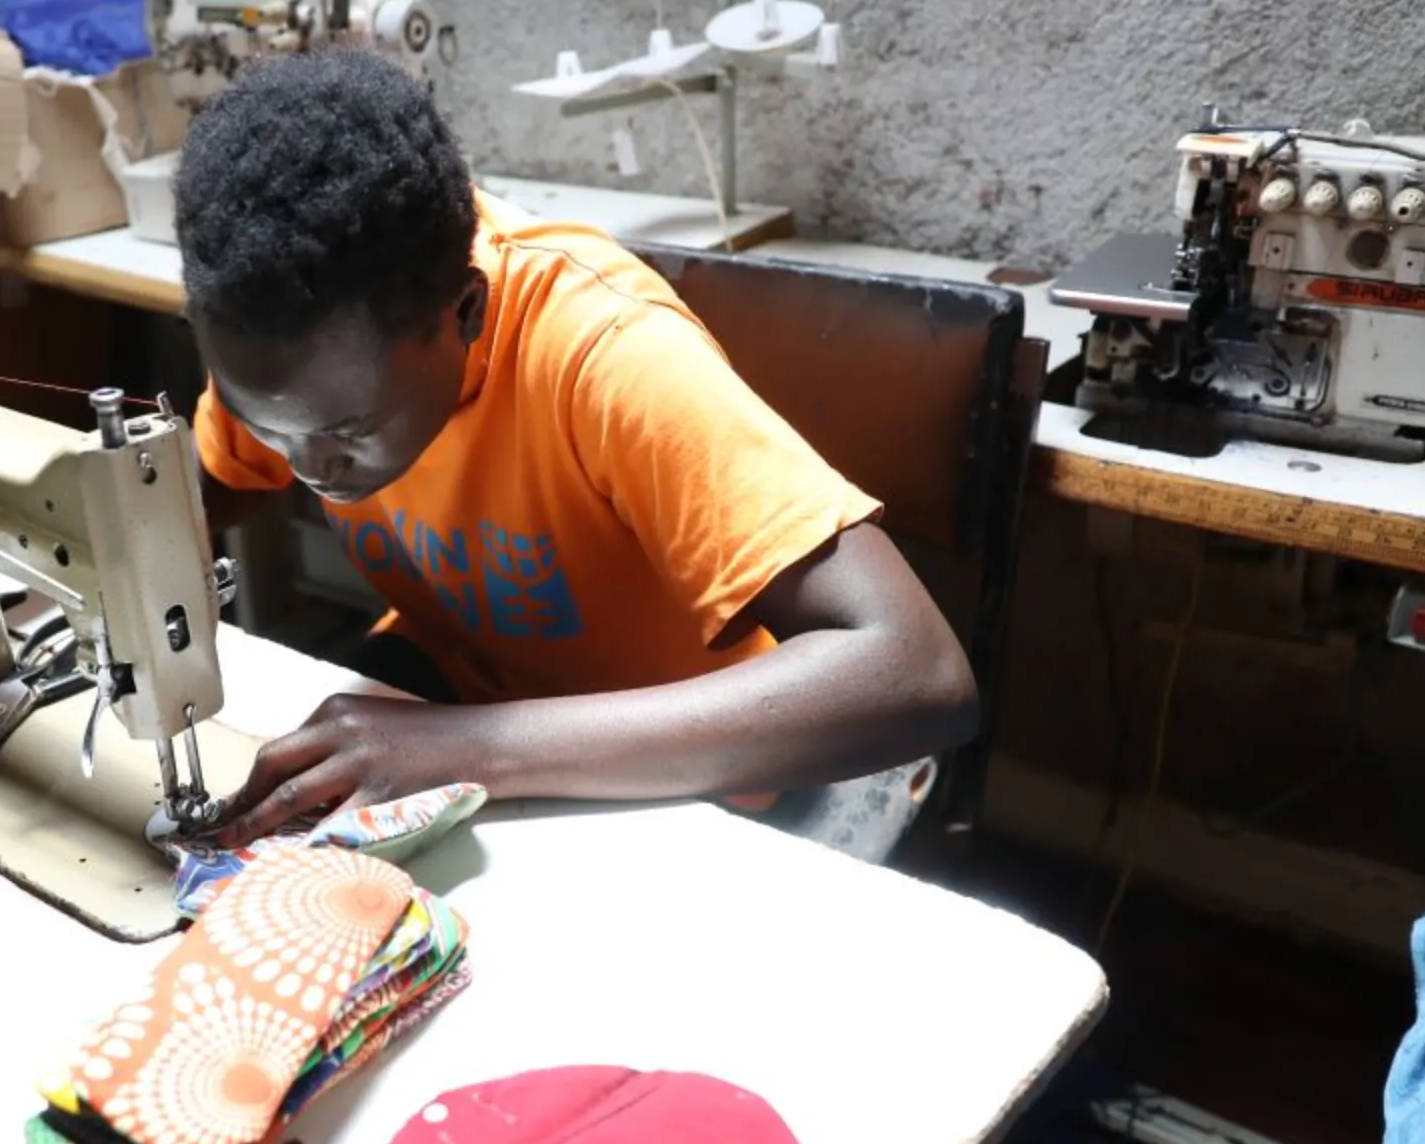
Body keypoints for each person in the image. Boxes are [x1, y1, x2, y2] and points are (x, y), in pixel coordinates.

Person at [173, 48, 979, 859]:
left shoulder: (606, 355)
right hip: (462, 690)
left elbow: (916, 670)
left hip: (683, 753)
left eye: (348, 432)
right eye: (271, 428)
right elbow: (206, 488)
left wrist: (473, 748)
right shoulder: (288, 327)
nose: (311, 467)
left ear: (466, 314)